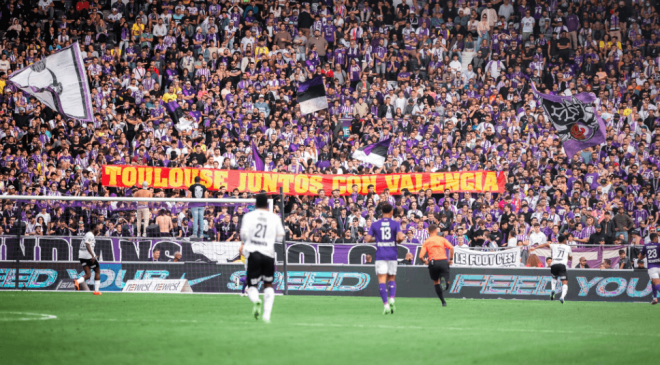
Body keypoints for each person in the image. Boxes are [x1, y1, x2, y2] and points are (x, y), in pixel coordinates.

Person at [240, 193, 285, 323]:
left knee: (252, 285)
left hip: (253, 253)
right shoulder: (274, 217)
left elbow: (243, 235)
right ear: (267, 204)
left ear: (255, 203)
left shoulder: (248, 216)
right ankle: (267, 315)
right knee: (268, 285)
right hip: (268, 254)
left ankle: (256, 300)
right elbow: (280, 237)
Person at [365, 203, 405, 315]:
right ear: (391, 212)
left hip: (380, 255)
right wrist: (398, 241)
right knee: (391, 279)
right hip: (392, 254)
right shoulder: (395, 224)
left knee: (381, 280)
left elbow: (367, 239)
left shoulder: (375, 224)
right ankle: (392, 298)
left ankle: (386, 305)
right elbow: (401, 237)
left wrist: (377, 239)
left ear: (381, 212)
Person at [419, 225, 454, 307]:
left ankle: (443, 302)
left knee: (436, 282)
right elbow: (451, 248)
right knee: (446, 279)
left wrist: (425, 261)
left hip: (433, 262)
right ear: (436, 231)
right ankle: (445, 282)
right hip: (443, 261)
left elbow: (420, 256)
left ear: (428, 232)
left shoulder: (427, 241)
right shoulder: (442, 239)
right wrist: (451, 259)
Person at [531, 234, 572, 304]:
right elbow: (570, 257)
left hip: (554, 264)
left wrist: (535, 248)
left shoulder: (554, 245)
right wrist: (568, 257)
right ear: (564, 240)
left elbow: (545, 244)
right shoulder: (567, 247)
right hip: (562, 265)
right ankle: (562, 297)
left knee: (554, 277)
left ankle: (553, 290)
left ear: (558, 240)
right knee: (565, 282)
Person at [73, 222, 103, 295]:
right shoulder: (90, 235)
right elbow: (87, 245)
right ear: (94, 228)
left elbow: (88, 245)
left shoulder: (87, 234)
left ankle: (77, 282)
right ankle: (96, 291)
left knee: (88, 274)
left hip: (81, 256)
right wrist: (92, 255)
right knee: (97, 271)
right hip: (88, 256)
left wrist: (94, 254)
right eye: (97, 228)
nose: (98, 230)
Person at [638, 233, 660, 305]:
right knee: (653, 282)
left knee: (656, 283)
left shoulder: (646, 246)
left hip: (652, 268)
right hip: (659, 266)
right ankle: (655, 298)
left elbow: (640, 257)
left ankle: (655, 298)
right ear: (656, 238)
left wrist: (645, 256)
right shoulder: (659, 245)